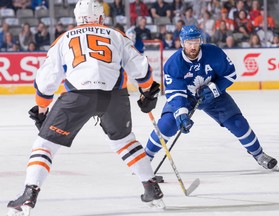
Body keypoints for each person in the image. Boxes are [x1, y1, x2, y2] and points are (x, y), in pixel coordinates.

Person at [7, 1, 164, 215]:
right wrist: (147, 91)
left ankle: (28, 195)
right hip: (114, 97)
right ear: (100, 17)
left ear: (77, 17)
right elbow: (141, 68)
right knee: (125, 141)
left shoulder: (64, 38)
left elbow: (46, 80)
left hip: (78, 97)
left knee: (45, 144)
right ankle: (151, 188)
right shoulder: (116, 35)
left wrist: (42, 108)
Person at [144, 25, 279, 174]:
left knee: (238, 123)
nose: (193, 46)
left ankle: (259, 155)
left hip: (214, 96)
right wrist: (181, 113)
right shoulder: (174, 64)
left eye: (196, 42)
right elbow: (176, 93)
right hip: (187, 97)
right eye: (189, 43)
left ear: (200, 41)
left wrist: (214, 89)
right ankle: (145, 159)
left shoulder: (213, 53)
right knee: (168, 123)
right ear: (182, 43)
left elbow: (230, 75)